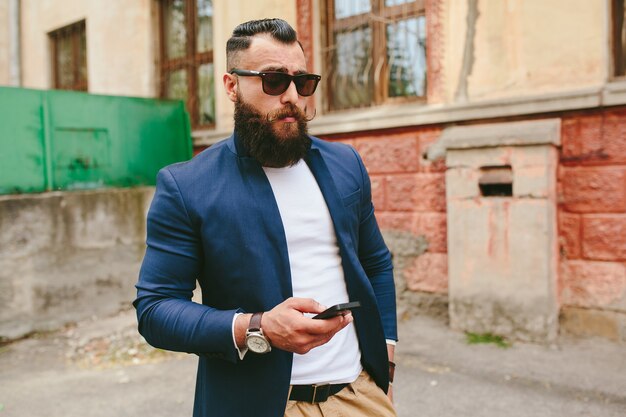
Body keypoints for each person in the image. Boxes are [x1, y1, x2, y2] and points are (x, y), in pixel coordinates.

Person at [134, 18, 397, 417]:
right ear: (231, 85)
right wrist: (255, 327)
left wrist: (386, 357)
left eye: (302, 81)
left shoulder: (346, 165)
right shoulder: (187, 186)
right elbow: (155, 309)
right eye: (273, 80)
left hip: (358, 396)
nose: (292, 96)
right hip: (256, 405)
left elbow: (375, 260)